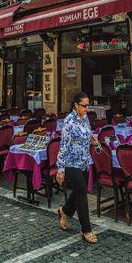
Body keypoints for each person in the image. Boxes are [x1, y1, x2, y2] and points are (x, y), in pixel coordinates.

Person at [56, 91, 98, 244]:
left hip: (84, 161)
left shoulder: (84, 117)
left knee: (79, 191)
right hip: (71, 163)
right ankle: (86, 229)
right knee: (82, 194)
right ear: (76, 105)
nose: (87, 108)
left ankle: (64, 210)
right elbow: (63, 146)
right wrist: (60, 169)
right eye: (84, 105)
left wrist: (92, 140)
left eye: (88, 105)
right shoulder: (69, 122)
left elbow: (87, 133)